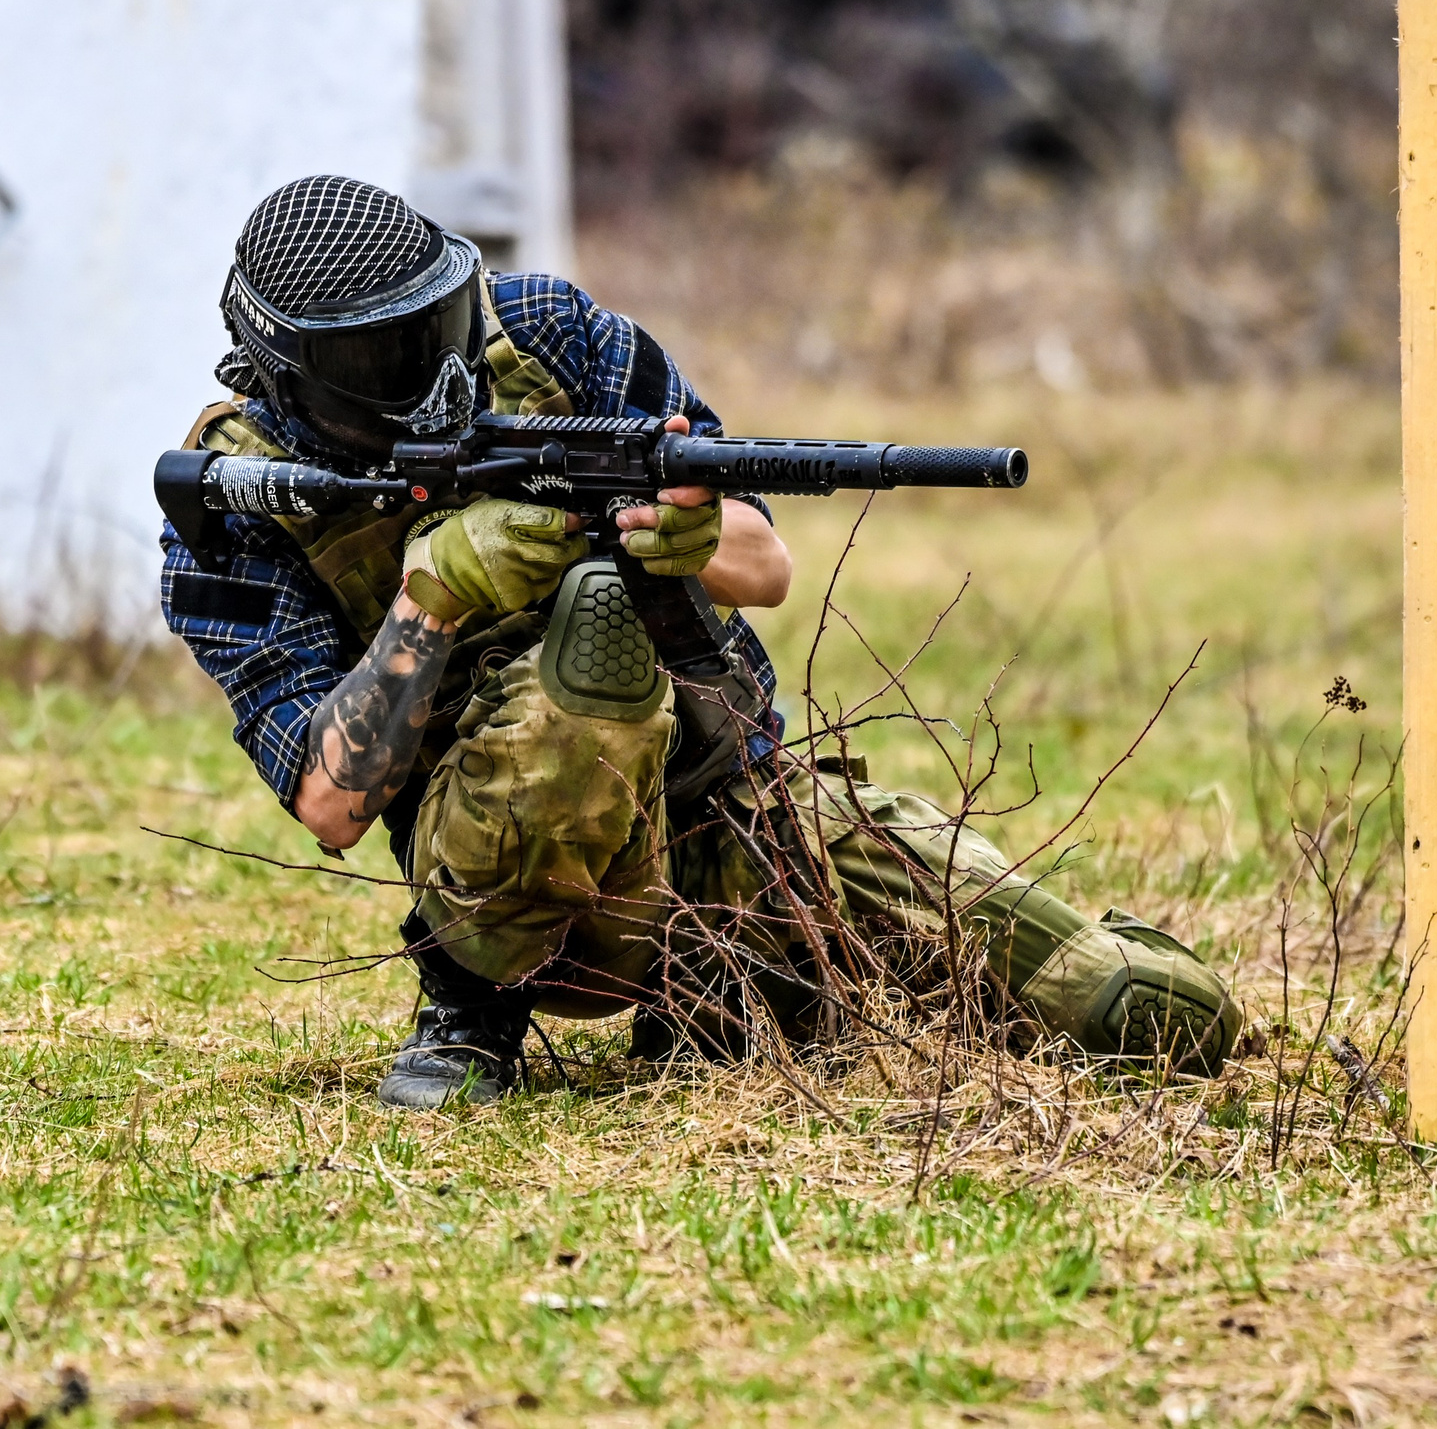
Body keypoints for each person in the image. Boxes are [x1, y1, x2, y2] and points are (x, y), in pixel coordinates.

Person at [159, 175, 1239, 1108]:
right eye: (386, 353)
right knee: (585, 656)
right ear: (291, 373)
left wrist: (690, 535)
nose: (435, 369)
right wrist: (429, 603)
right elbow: (329, 805)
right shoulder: (237, 503)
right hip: (506, 882)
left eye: (438, 321)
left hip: (739, 806)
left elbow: (765, 564)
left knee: (1143, 1013)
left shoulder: (552, 338)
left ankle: (716, 989)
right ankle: (468, 1007)